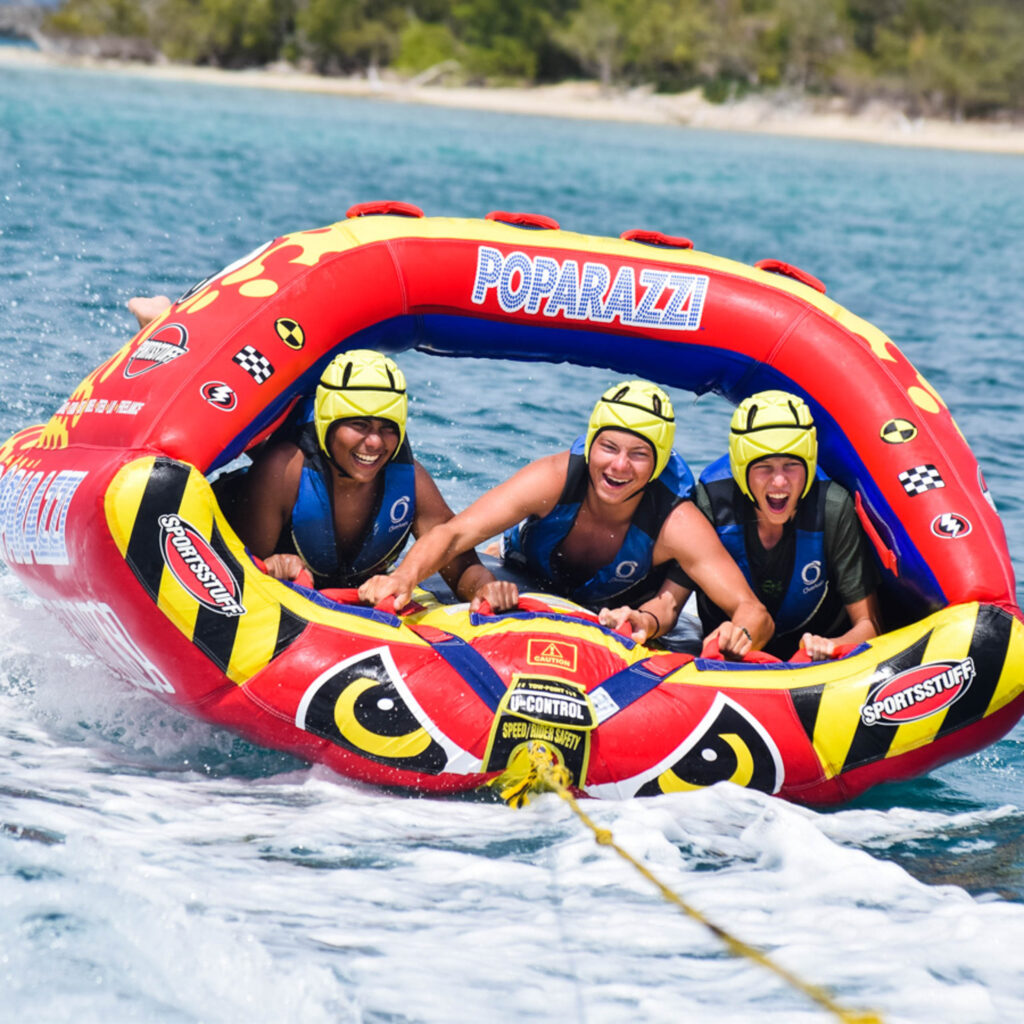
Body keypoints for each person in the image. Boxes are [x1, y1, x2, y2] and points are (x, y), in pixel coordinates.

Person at [359, 379, 772, 656]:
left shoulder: (675, 522)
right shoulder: (554, 478)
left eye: (640, 455)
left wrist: (740, 635)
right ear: (591, 444)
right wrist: (403, 579)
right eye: (609, 447)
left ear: (659, 461)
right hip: (524, 575)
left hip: (615, 610)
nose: (620, 467)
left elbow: (752, 610)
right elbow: (452, 534)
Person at [228, 348, 517, 609]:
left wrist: (484, 588)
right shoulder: (284, 471)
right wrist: (268, 566)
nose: (375, 443)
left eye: (387, 428)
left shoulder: (410, 481)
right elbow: (232, 575)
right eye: (359, 425)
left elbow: (462, 566)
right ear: (329, 424)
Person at [694, 389, 881, 661]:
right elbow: (671, 601)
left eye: (791, 465)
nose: (779, 482)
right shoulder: (711, 502)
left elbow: (870, 625)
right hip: (728, 650)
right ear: (741, 467)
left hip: (815, 647)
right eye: (764, 467)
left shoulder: (832, 507)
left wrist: (832, 646)